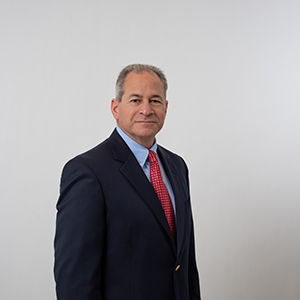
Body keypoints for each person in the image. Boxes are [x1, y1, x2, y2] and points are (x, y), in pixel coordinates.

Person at [54, 64, 201, 300]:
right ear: (115, 108)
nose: (146, 109)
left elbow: (185, 261)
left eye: (155, 100)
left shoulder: (177, 166)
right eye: (135, 100)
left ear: (165, 107)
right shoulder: (88, 172)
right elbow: (75, 281)